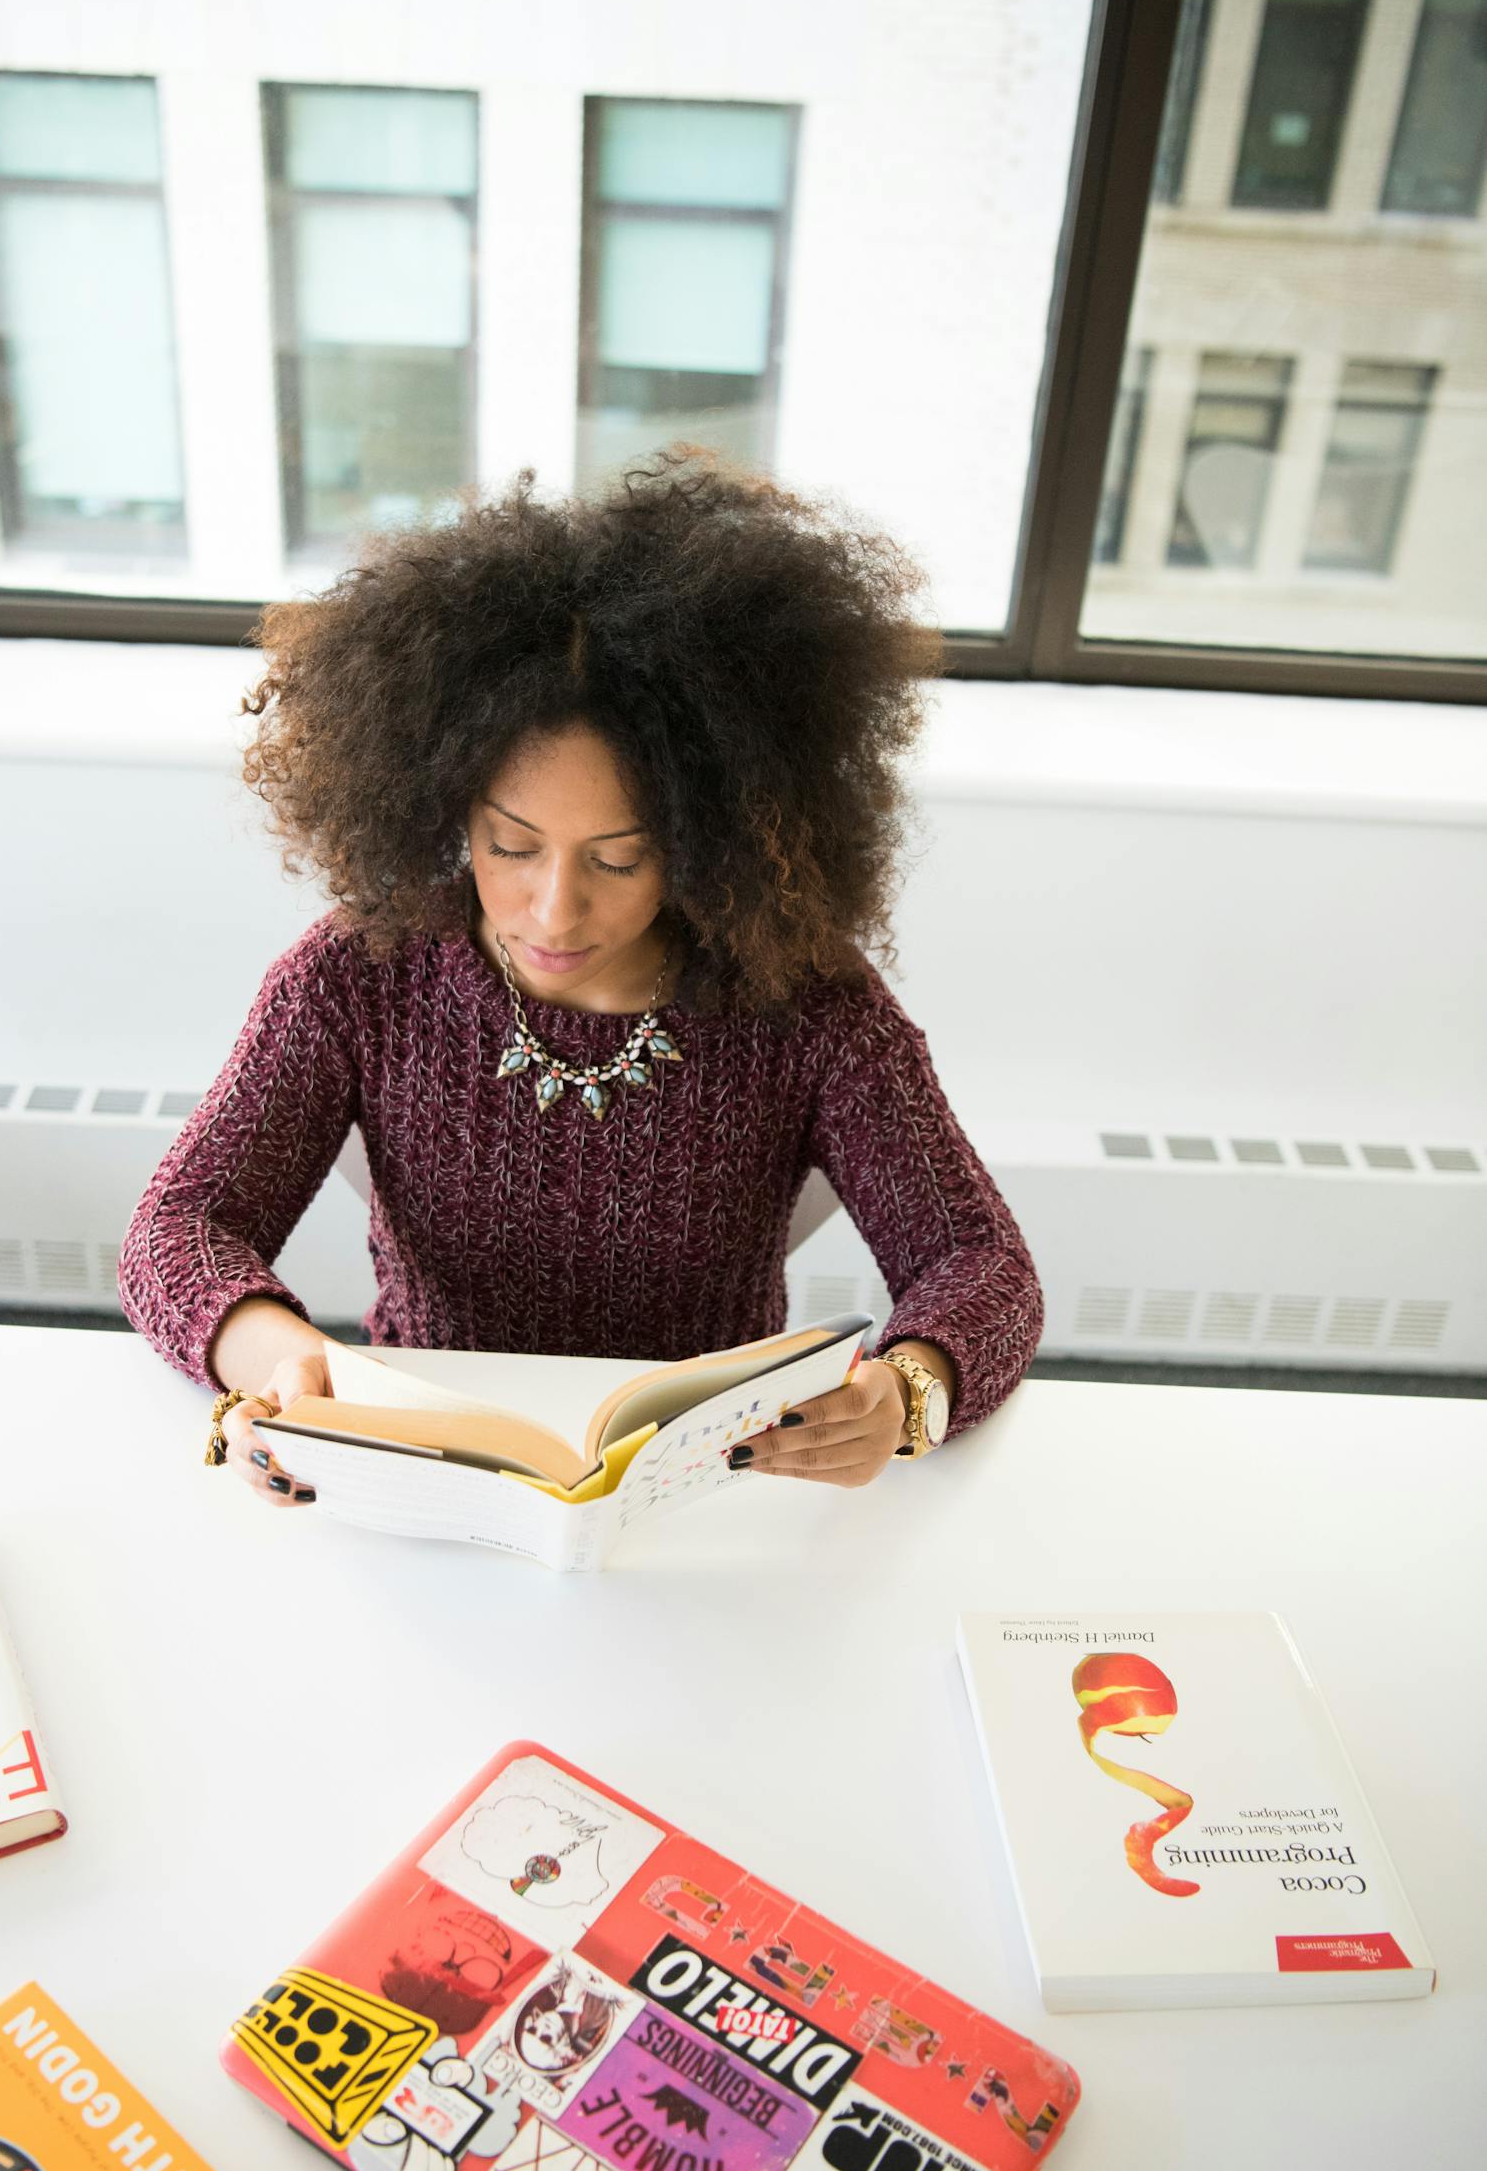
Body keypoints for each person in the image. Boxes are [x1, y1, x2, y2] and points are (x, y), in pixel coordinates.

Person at [118, 448, 1043, 1508]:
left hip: (704, 1487)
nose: (555, 909)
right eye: (511, 847)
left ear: (709, 839)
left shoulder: (803, 1002)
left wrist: (907, 1390)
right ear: (443, 805)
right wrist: (271, 1357)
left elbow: (977, 1263)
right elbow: (178, 1228)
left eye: (616, 858)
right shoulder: (357, 977)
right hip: (430, 1470)